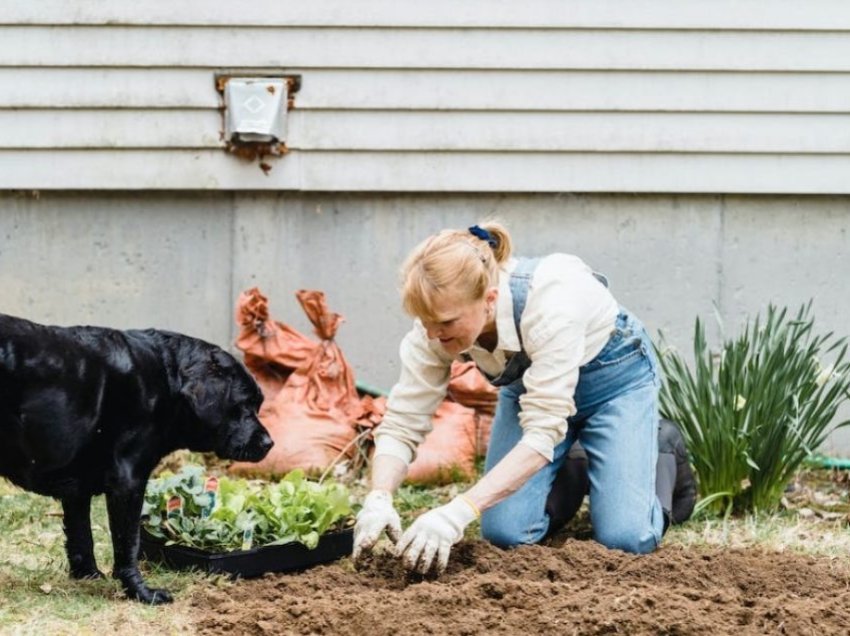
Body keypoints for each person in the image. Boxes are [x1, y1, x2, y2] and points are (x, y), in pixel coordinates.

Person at [353, 222, 675, 574]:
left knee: (627, 539)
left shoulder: (551, 304)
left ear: (489, 300)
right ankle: (576, 464)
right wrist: (378, 496)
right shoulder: (435, 327)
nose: (432, 333)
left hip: (615, 384)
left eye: (445, 322)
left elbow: (540, 436)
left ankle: (659, 450)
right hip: (536, 398)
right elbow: (402, 421)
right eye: (425, 321)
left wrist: (457, 512)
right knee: (505, 533)